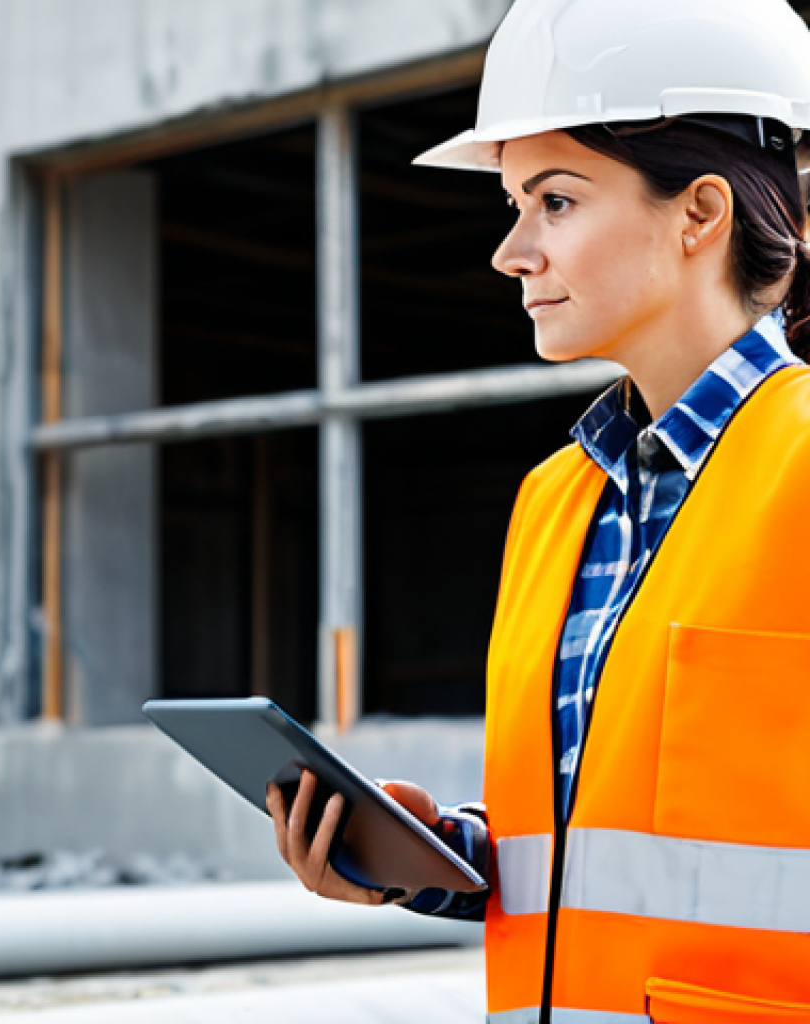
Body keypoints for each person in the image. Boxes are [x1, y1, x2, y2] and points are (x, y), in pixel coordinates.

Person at [267, 0, 810, 1020]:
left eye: (554, 202)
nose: (511, 251)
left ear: (700, 213)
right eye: (513, 203)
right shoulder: (554, 500)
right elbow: (614, 860)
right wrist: (429, 856)